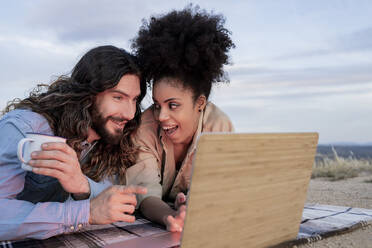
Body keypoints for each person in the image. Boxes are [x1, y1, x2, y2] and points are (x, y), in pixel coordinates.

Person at [0, 45, 147, 240]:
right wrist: (85, 213)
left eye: (134, 100)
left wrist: (82, 186)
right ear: (88, 96)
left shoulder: (112, 137)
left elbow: (112, 196)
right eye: (118, 97)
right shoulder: (25, 128)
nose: (129, 113)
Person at [129, 6, 235, 232]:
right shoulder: (144, 129)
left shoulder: (219, 126)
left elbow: (217, 191)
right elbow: (145, 195)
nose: (161, 116)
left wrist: (190, 205)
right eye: (157, 105)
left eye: (173, 105)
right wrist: (171, 216)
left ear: (200, 104)